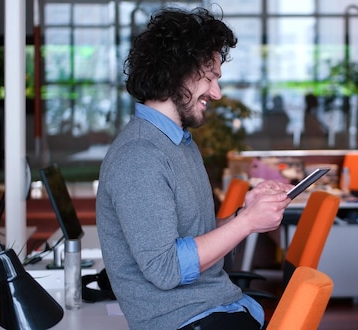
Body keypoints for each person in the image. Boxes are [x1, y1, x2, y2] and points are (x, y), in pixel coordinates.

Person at [95, 7, 293, 330]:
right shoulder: (140, 155)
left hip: (213, 309)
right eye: (210, 77)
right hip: (185, 320)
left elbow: (193, 234)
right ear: (178, 72)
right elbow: (166, 268)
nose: (216, 93)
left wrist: (248, 213)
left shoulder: (179, 143)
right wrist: (245, 223)